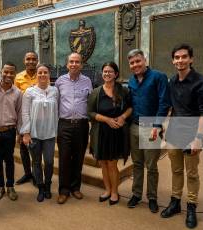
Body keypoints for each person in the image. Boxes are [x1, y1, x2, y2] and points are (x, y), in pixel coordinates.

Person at [161, 44, 203, 229]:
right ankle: (175, 202)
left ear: (191, 59)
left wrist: (199, 138)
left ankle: (191, 206)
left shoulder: (202, 82)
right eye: (176, 57)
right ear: (173, 61)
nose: (180, 60)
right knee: (176, 171)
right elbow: (171, 108)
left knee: (191, 173)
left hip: (192, 134)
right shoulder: (172, 81)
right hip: (174, 133)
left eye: (183, 57)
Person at [126, 48, 170, 213]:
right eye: (132, 63)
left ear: (145, 60)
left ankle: (152, 197)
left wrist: (157, 126)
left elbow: (164, 103)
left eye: (138, 61)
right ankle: (136, 194)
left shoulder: (159, 77)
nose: (135, 65)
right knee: (137, 164)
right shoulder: (131, 81)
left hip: (151, 126)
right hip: (134, 126)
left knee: (151, 166)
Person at [87, 62, 132, 205]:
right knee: (103, 163)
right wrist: (106, 119)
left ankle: (114, 192)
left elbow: (130, 107)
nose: (107, 74)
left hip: (116, 132)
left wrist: (123, 117)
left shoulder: (123, 90)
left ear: (116, 74)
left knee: (112, 164)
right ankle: (107, 190)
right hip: (100, 132)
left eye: (110, 71)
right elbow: (90, 113)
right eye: (105, 71)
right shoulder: (96, 92)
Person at [54, 52, 92, 204]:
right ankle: (63, 190)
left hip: (82, 125)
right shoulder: (59, 82)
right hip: (64, 124)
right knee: (64, 158)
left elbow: (90, 102)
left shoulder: (87, 81)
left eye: (77, 62)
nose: (74, 64)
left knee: (78, 157)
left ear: (81, 64)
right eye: (71, 62)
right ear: (67, 64)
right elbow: (55, 104)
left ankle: (75, 188)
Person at [21, 64, 59, 202]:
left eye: (45, 72)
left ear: (49, 74)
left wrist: (57, 130)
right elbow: (25, 113)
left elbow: (58, 111)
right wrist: (26, 132)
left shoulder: (55, 91)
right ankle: (41, 187)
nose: (43, 75)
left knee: (49, 161)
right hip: (34, 133)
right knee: (36, 162)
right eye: (40, 72)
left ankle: (48, 185)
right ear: (36, 75)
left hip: (49, 133)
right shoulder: (29, 92)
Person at [0, 62, 22, 201]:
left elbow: (20, 113)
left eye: (11, 73)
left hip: (10, 131)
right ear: (1, 71)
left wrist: (20, 132)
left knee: (9, 160)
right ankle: (0, 187)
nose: (8, 75)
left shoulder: (18, 93)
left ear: (15, 74)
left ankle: (10, 186)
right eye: (6, 72)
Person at [14, 51, 39, 185]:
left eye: (33, 59)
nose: (31, 61)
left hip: (38, 118)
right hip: (23, 117)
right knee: (23, 148)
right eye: (28, 59)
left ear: (37, 61)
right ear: (24, 61)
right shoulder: (18, 77)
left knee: (35, 148)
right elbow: (15, 99)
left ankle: (36, 174)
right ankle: (27, 174)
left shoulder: (41, 75)